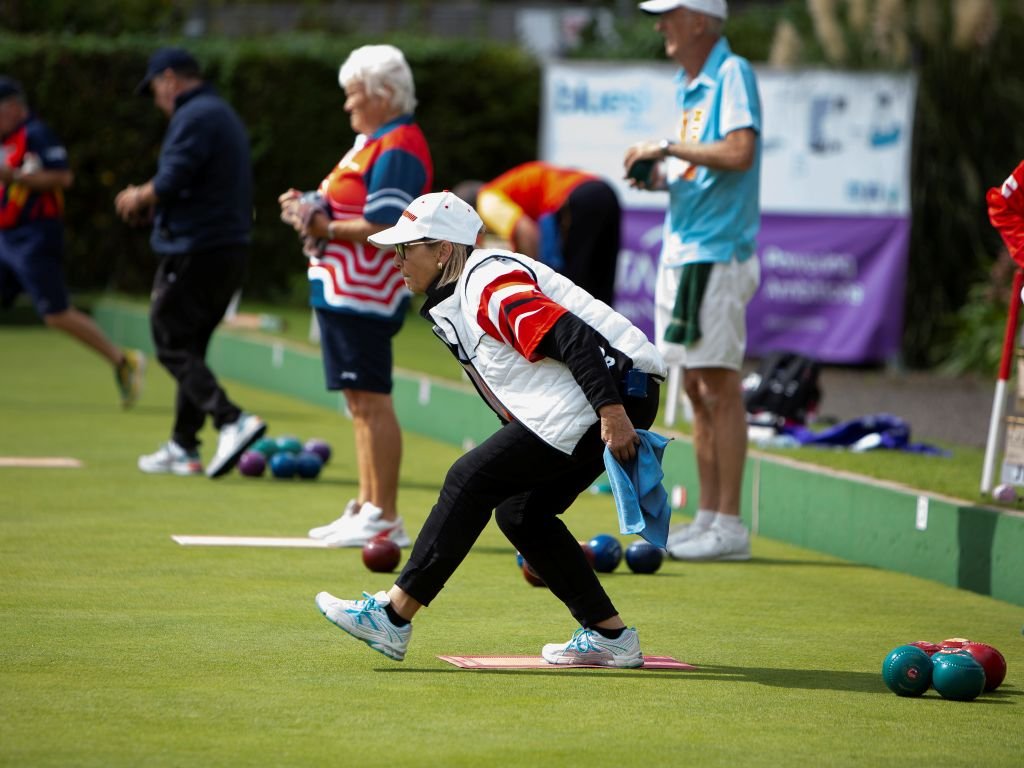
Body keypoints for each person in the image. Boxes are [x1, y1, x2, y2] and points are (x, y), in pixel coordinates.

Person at [313, 191, 667, 666]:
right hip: (610, 390)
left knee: (469, 478)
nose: (396, 261)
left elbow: (573, 336)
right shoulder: (464, 291)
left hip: (612, 387)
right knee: (521, 513)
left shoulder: (488, 282)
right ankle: (611, 636)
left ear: (443, 250)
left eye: (406, 249)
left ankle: (394, 617)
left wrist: (613, 412)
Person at [623, 0, 761, 561]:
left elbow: (740, 151)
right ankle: (709, 517)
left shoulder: (732, 72)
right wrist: (660, 176)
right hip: (686, 250)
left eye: (669, 14)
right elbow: (702, 167)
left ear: (699, 20)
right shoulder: (691, 85)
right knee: (698, 389)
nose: (660, 25)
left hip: (716, 252)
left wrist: (666, 147)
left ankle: (730, 524)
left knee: (718, 386)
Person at [278, 44, 432, 548]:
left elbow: (385, 223)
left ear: (383, 94)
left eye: (353, 94)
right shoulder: (372, 140)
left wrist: (322, 225)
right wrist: (309, 206)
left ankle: (385, 514)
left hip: (366, 291)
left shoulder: (399, 143)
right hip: (344, 288)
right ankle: (368, 505)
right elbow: (344, 204)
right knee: (358, 400)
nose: (347, 104)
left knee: (371, 397)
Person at [114, 48, 266, 478]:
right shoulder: (218, 112)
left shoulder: (195, 115)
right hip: (225, 248)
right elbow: (198, 185)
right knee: (192, 345)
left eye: (155, 90)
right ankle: (184, 445)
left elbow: (172, 176)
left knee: (169, 338)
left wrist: (138, 196)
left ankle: (231, 420)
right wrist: (157, 209)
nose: (157, 101)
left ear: (169, 79)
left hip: (197, 249)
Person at [0, 76, 145, 407]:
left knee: (56, 314)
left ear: (13, 107)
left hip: (35, 235)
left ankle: (123, 362)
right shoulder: (6, 139)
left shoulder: (36, 134)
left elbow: (63, 177)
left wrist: (16, 176)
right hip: (5, 237)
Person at [454, 162, 621, 305]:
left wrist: (533, 285)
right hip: (605, 191)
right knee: (600, 284)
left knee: (576, 289)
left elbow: (527, 233)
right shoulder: (504, 190)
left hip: (575, 198)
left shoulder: (486, 200)